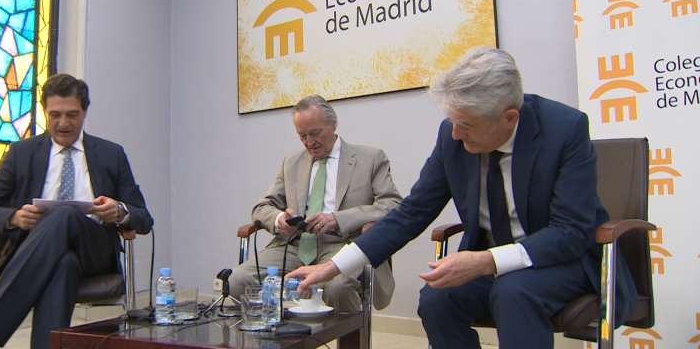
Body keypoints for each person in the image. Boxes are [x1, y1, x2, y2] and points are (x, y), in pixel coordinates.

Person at [287, 47, 638, 348]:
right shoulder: (452, 136)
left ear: (508, 118)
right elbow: (411, 213)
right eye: (452, 121)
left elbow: (570, 232)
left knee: (513, 291)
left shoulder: (564, 129)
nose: (455, 134)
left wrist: (485, 262)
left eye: (466, 125)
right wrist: (333, 267)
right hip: (491, 261)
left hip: (562, 261)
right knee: (437, 298)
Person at [0, 74, 153, 349]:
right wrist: (14, 217)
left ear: (85, 112)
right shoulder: (22, 153)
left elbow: (144, 218)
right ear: (44, 112)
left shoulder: (110, 154)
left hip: (94, 250)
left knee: (63, 214)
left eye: (72, 115)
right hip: (42, 251)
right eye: (55, 115)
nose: (63, 123)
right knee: (63, 263)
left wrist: (120, 211)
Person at [228, 95, 402, 312]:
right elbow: (262, 208)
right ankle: (274, 331)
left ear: (332, 124)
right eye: (302, 136)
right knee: (237, 281)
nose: (309, 142)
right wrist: (279, 220)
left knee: (337, 286)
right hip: (294, 245)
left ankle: (351, 333)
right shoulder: (291, 163)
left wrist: (338, 219)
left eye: (315, 133)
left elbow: (392, 204)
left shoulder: (370, 158)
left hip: (342, 244)